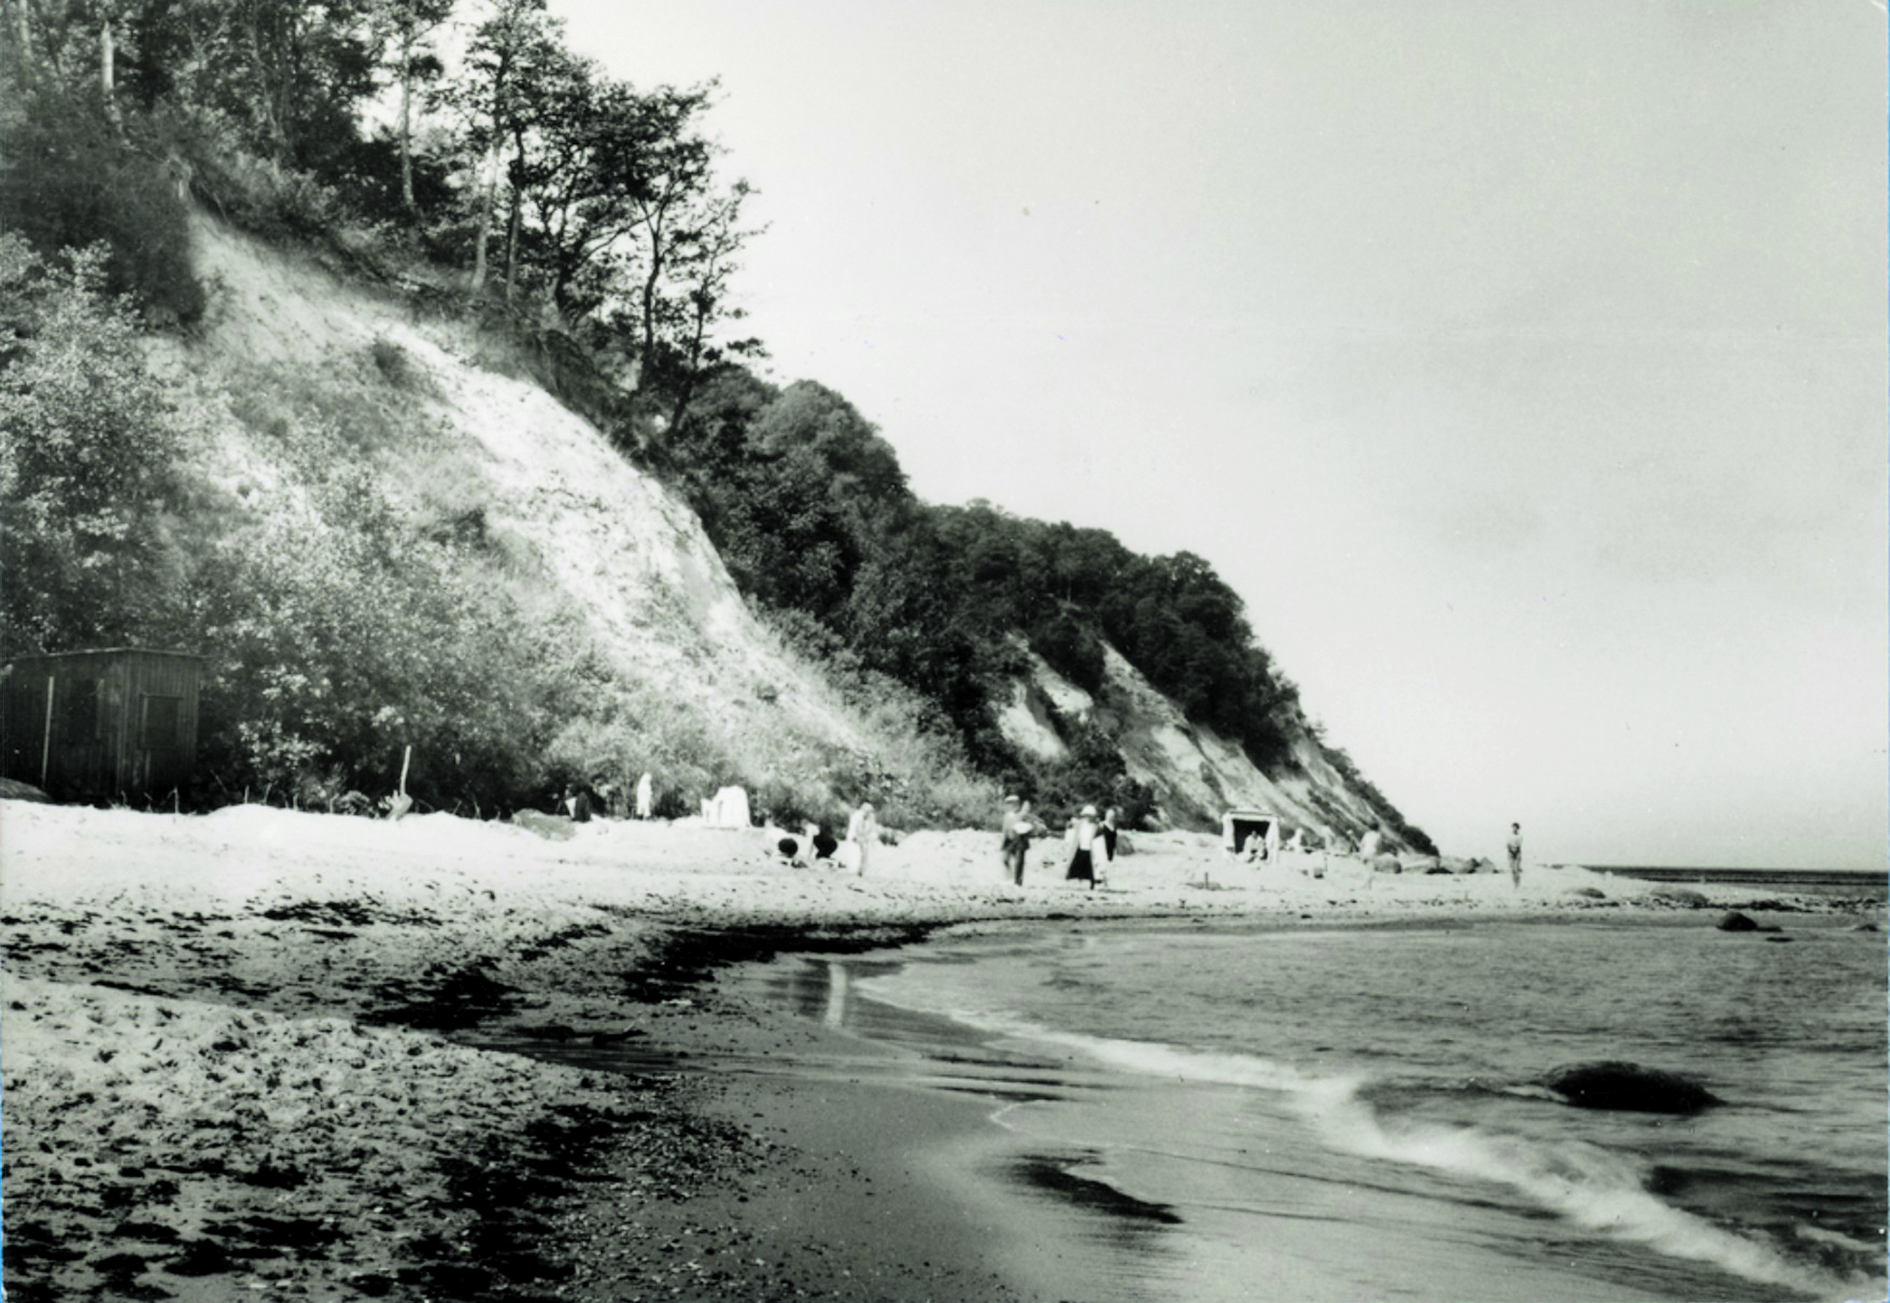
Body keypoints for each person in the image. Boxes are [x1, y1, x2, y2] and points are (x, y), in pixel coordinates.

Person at [1065, 805, 1100, 890]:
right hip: (1080, 847)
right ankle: (1078, 882)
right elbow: (1072, 830)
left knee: (1090, 868)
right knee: (1078, 866)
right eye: (1087, 816)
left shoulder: (1095, 826)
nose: (1089, 818)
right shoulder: (1080, 824)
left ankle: (1092, 883)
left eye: (1090, 816)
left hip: (1090, 849)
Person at [1004, 799, 1039, 886]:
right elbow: (1006, 828)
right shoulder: (1010, 815)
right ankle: (1012, 878)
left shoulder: (1026, 816)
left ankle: (1017, 881)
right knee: (1006, 860)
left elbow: (1033, 828)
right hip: (1010, 840)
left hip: (1021, 840)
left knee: (1019, 862)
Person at [845, 801, 877, 877]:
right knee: (856, 856)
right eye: (867, 811)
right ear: (863, 810)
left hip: (865, 840)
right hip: (855, 840)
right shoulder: (855, 816)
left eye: (870, 812)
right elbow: (852, 830)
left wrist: (871, 838)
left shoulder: (871, 817)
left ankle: (862, 873)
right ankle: (853, 873)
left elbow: (873, 830)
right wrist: (857, 838)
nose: (868, 813)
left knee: (865, 857)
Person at [1506, 822, 1523, 888]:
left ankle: (1517, 884)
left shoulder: (1519, 836)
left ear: (1518, 829)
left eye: (1515, 828)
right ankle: (1514, 884)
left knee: (1517, 869)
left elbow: (1519, 845)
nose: (1514, 829)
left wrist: (1515, 851)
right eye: (1513, 827)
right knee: (1512, 870)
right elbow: (1507, 845)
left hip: (1517, 853)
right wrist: (1511, 850)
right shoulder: (1509, 836)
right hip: (1510, 853)